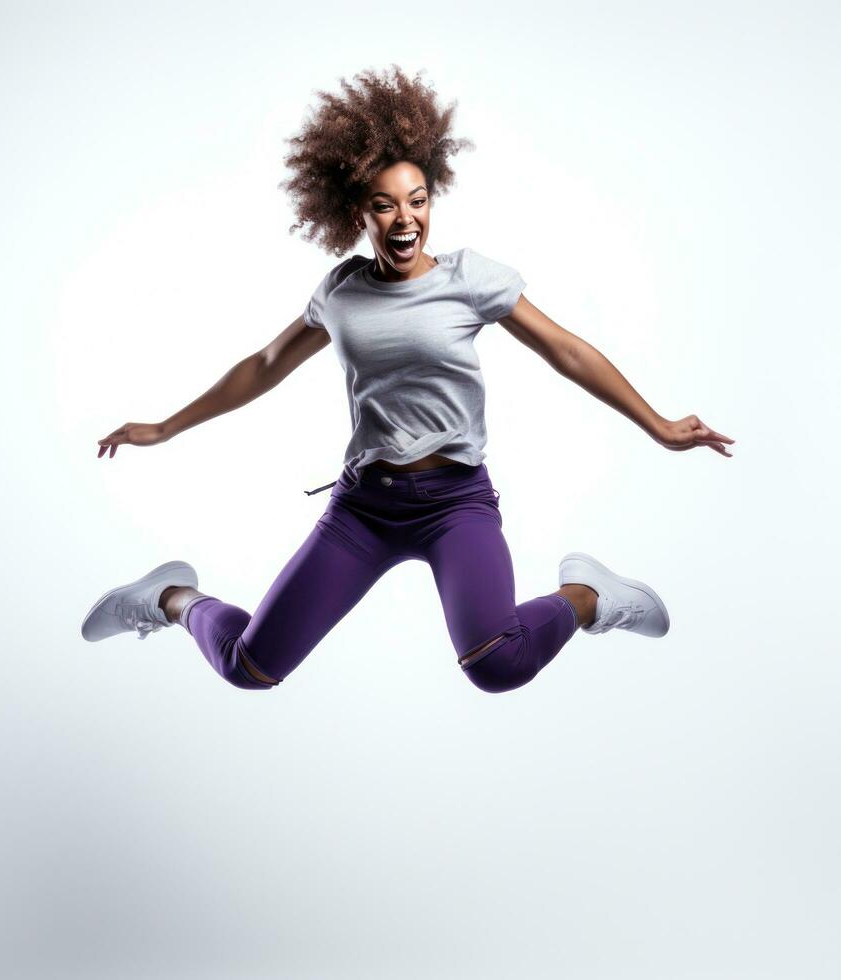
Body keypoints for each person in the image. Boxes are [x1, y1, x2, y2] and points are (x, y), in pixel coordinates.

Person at [81, 65, 734, 694]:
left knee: (497, 666)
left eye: (417, 201)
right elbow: (265, 365)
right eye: (384, 205)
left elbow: (565, 350)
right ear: (355, 212)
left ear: (431, 201)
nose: (405, 220)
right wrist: (166, 426)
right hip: (364, 508)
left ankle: (589, 596)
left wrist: (657, 423)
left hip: (456, 502)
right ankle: (169, 598)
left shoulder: (468, 279)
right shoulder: (341, 291)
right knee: (248, 667)